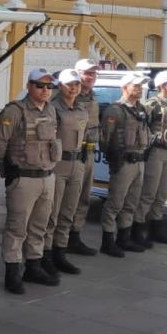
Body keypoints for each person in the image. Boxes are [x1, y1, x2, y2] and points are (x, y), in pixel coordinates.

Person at [0, 68, 61, 293]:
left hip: (47, 177)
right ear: (29, 86)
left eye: (49, 86)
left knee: (39, 225)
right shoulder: (15, 110)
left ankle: (34, 265)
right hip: (23, 178)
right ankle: (12, 272)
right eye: (40, 85)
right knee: (17, 227)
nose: (45, 90)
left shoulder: (51, 110)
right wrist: (7, 171)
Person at [99, 73, 152, 256]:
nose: (139, 89)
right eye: (135, 86)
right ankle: (107, 241)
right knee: (115, 202)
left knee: (131, 202)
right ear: (125, 87)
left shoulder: (141, 109)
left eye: (140, 86)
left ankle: (124, 238)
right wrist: (115, 160)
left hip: (139, 161)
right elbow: (105, 140)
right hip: (123, 162)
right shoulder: (115, 110)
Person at [42, 69, 88, 276]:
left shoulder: (81, 110)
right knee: (52, 213)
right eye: (69, 84)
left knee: (68, 211)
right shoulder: (52, 108)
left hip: (76, 163)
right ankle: (46, 253)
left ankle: (61, 251)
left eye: (76, 84)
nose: (73, 88)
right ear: (60, 86)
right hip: (57, 165)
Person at [137, 71, 167, 245]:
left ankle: (155, 228)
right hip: (155, 153)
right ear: (164, 85)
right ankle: (138, 229)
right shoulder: (152, 105)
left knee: (162, 194)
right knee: (148, 194)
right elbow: (141, 129)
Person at [66, 58, 101, 256]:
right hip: (71, 155)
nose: (91, 77)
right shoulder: (70, 97)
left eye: (94, 74)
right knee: (67, 200)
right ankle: (58, 241)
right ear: (77, 74)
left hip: (88, 153)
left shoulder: (93, 97)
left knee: (84, 198)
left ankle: (75, 236)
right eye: (87, 73)